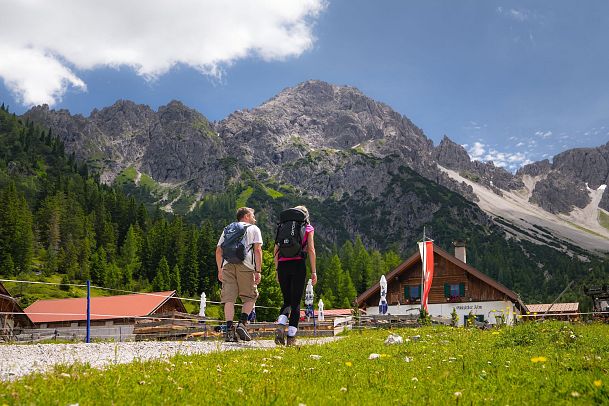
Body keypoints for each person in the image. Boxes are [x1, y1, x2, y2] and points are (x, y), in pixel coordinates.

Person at [216, 207, 263, 342]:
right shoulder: (254, 228)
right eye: (253, 215)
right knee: (250, 297)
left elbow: (218, 251)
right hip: (246, 265)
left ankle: (229, 331)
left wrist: (220, 269)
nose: (254, 218)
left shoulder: (228, 229)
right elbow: (258, 250)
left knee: (229, 299)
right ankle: (242, 324)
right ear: (247, 216)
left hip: (227, 265)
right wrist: (258, 270)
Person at [274, 205, 317, 346]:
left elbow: (276, 249)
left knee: (286, 301)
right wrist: (314, 271)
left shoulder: (282, 227)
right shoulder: (308, 228)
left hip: (282, 266)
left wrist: (276, 270)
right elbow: (310, 249)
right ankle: (291, 338)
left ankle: (280, 325)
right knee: (296, 303)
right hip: (298, 265)